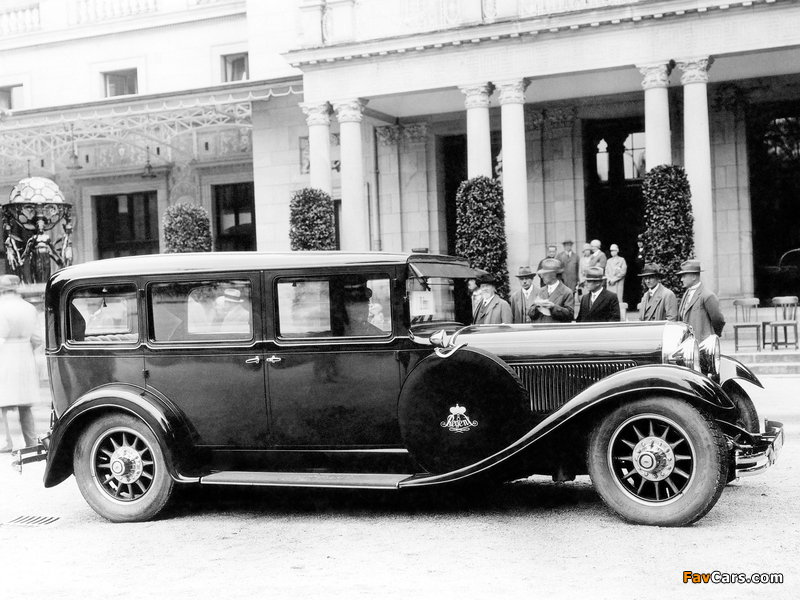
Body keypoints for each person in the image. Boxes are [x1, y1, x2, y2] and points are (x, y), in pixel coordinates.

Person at [0, 274, 42, 452]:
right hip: (25, 355)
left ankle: (9, 442)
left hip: (5, 355)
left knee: (5, 402)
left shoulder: (2, 307)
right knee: (25, 404)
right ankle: (30, 441)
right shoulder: (29, 308)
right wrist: (26, 347)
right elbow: (38, 338)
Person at [677, 260, 725, 341]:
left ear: (694, 277)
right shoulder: (687, 294)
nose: (681, 279)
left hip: (702, 343)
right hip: (688, 342)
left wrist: (710, 336)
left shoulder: (707, 295)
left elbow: (718, 320)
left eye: (684, 276)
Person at [528, 258, 574, 323]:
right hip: (540, 328)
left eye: (544, 274)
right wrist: (536, 307)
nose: (542, 276)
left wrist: (553, 307)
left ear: (553, 275)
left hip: (555, 329)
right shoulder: (540, 291)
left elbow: (569, 316)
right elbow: (530, 314)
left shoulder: (566, 292)